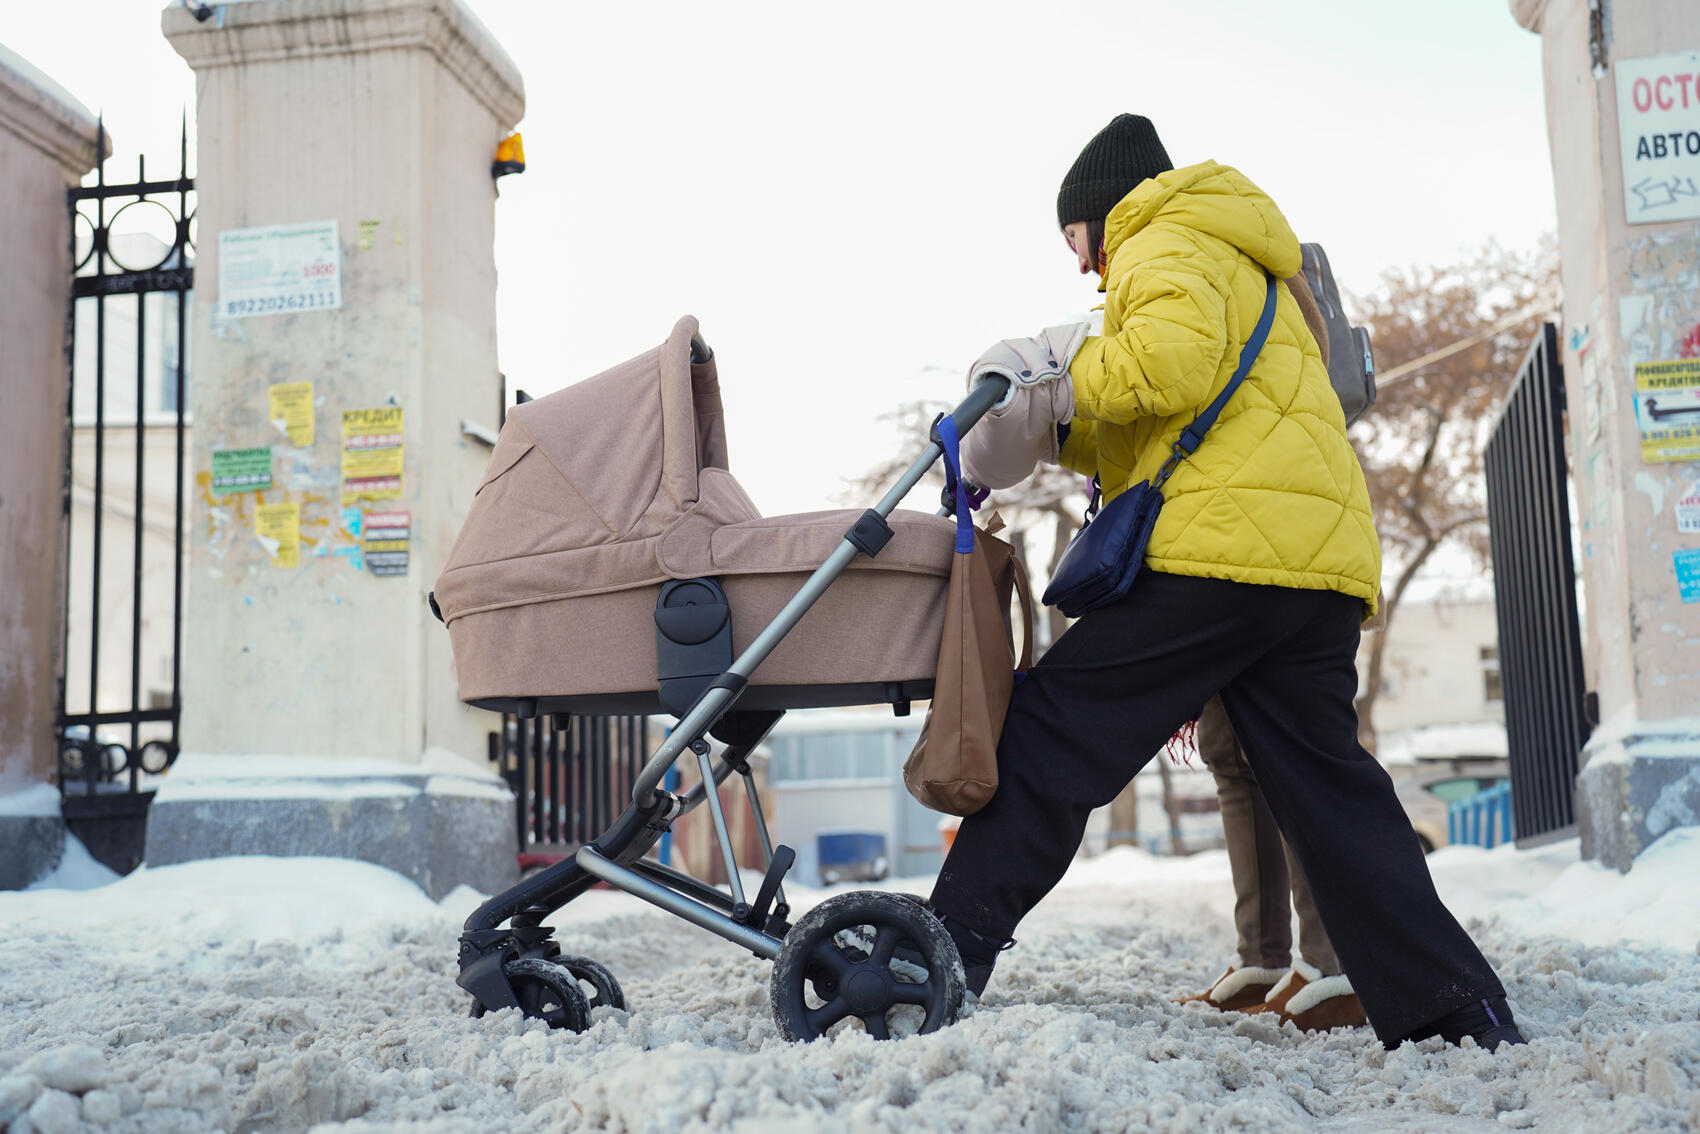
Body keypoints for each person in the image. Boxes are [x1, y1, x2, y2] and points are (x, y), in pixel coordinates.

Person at [931, 113, 1523, 1050]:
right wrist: (1055, 428)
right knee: (1330, 790)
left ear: (1098, 214)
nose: (1080, 264)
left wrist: (1051, 369)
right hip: (1310, 562)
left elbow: (1165, 364)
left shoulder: (1161, 238)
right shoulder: (1242, 260)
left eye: (1074, 238)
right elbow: (1180, 399)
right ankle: (1458, 1008)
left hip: (1226, 556)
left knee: (1052, 729)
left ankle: (937, 954)